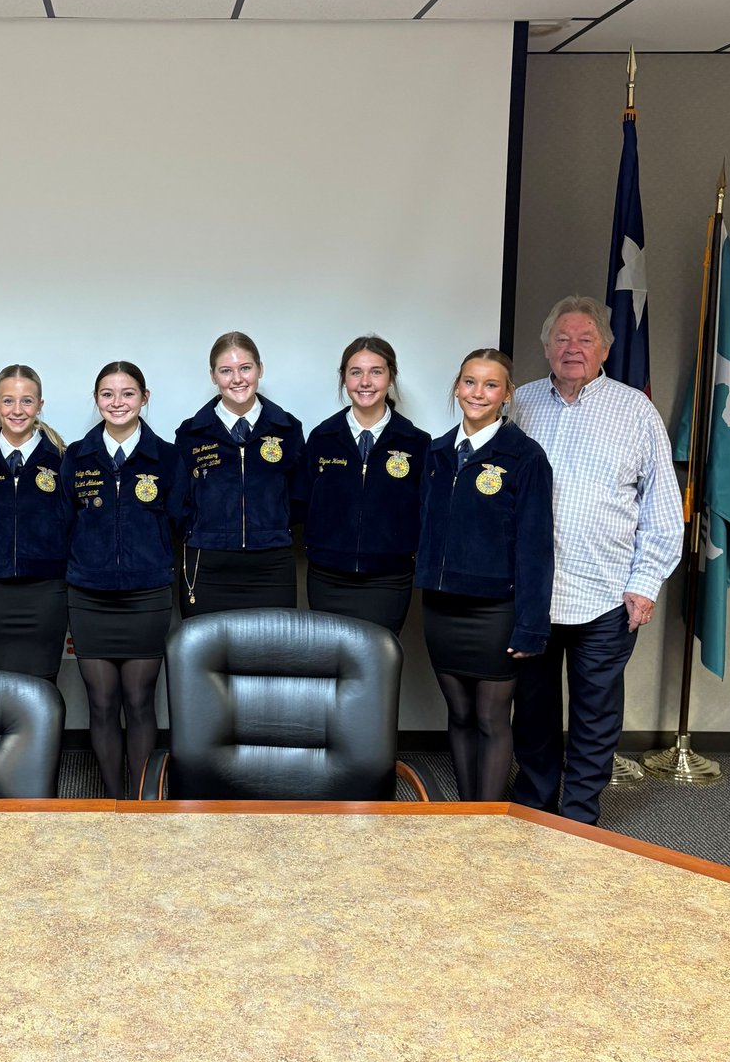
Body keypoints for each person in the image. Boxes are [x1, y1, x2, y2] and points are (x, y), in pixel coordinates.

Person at [511, 296, 682, 824]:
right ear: (545, 347)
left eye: (585, 339)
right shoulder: (518, 404)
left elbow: (663, 508)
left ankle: (580, 813)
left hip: (608, 595)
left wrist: (646, 582)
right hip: (533, 594)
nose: (572, 349)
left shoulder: (635, 410)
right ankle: (535, 803)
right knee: (533, 710)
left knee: (595, 716)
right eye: (562, 338)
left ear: (605, 348)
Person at [415, 349, 554, 802]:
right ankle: (464, 816)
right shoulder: (435, 453)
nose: (478, 393)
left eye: (491, 385)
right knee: (458, 716)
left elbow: (536, 548)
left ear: (507, 395)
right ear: (457, 388)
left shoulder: (525, 458)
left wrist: (531, 626)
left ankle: (489, 823)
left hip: (496, 613)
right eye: (470, 382)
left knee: (492, 719)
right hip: (441, 609)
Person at [61, 361, 188, 798]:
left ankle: (141, 801)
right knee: (101, 703)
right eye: (108, 394)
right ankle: (114, 800)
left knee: (139, 701)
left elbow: (180, 520)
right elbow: (64, 522)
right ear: (96, 401)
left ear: (144, 399)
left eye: (128, 393)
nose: (118, 403)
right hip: (89, 598)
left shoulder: (168, 458)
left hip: (147, 597)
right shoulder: (76, 457)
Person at [302, 335, 431, 634]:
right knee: (328, 669)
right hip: (327, 578)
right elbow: (304, 502)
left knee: (376, 668)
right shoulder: (322, 438)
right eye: (355, 372)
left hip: (388, 580)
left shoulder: (417, 443)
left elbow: (425, 510)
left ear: (390, 377)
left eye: (376, 371)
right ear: (344, 378)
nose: (365, 382)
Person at [174, 332, 304, 616]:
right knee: (207, 658)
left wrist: (271, 526)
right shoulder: (191, 433)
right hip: (208, 565)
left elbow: (299, 495)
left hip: (271, 565)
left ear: (260, 369)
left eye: (245, 368)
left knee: (271, 656)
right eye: (226, 371)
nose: (237, 379)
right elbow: (179, 501)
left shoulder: (287, 429)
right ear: (213, 376)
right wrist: (203, 531)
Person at [0, 365, 69, 686]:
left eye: (27, 401)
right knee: (2, 687)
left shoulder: (62, 459)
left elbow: (73, 519)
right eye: (8, 401)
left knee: (44, 684)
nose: (17, 410)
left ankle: (48, 740)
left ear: (39, 405)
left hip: (47, 591)